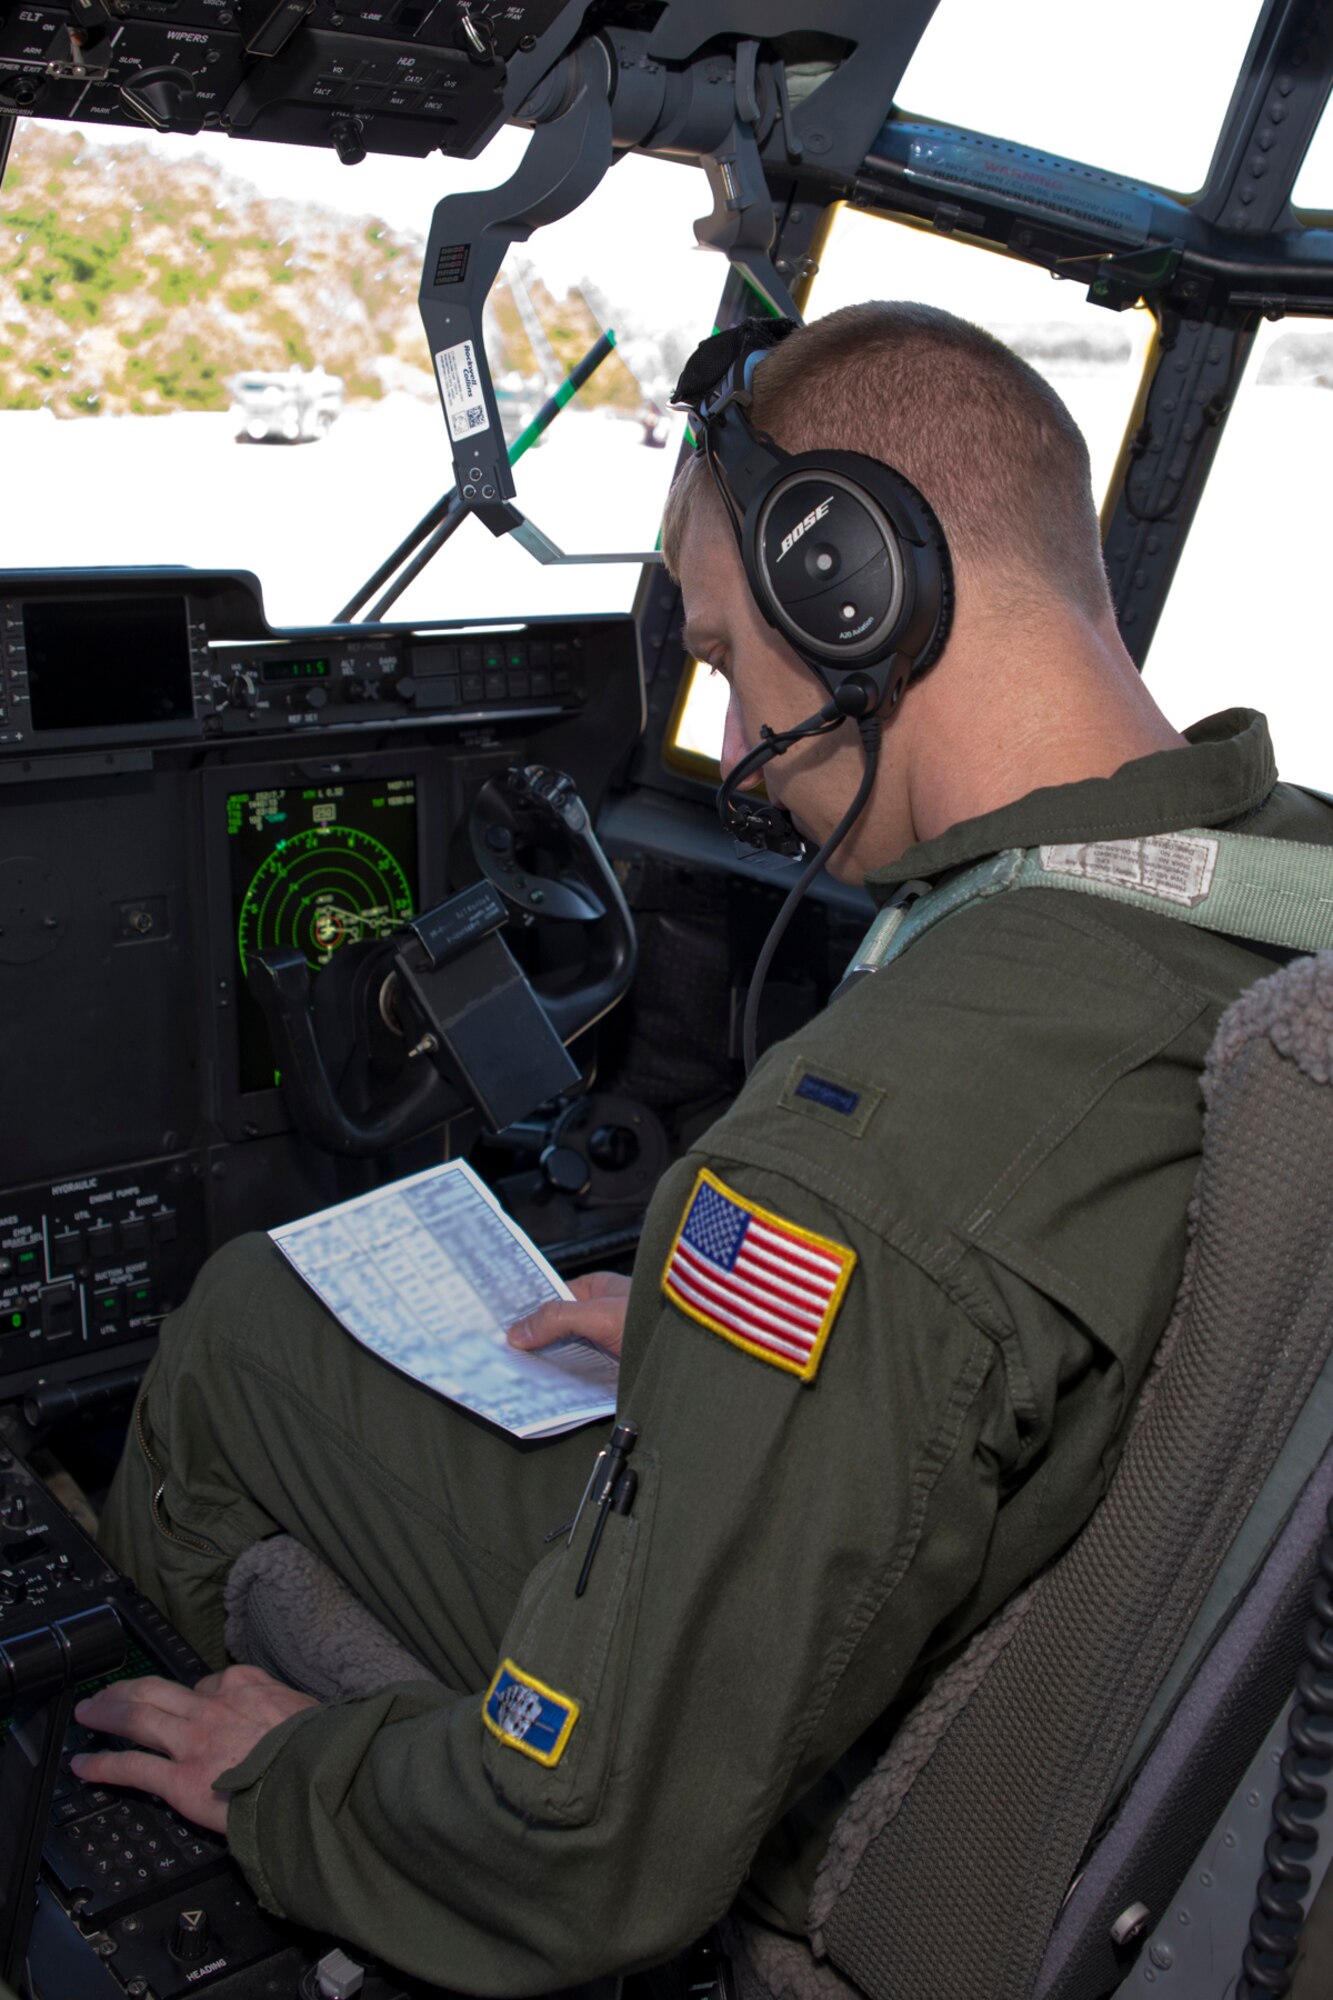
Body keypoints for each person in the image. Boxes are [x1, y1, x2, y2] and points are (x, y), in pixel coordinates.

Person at [75, 302, 1333, 1992]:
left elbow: (582, 1843)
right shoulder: (1282, 887)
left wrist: (294, 1780)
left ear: (859, 595)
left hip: (832, 1802)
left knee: (235, 1322)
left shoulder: (859, 1166)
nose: (736, 754)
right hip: (1097, 1702)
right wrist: (708, 1338)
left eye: (735, 661)